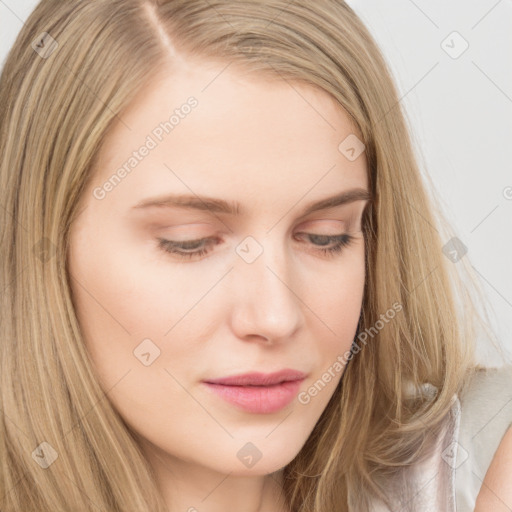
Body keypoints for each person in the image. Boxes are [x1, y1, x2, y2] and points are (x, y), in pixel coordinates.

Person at [0, 1, 510, 511]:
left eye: (325, 236)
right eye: (190, 241)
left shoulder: (480, 465)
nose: (275, 316)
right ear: (41, 244)